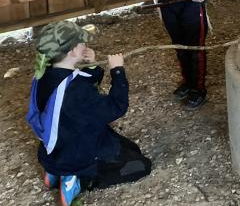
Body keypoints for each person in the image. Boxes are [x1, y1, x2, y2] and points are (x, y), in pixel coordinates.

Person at [26, 21, 151, 206]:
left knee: (132, 149)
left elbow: (82, 85)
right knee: (141, 166)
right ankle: (78, 180)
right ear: (72, 51)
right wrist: (118, 71)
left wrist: (92, 65)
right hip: (77, 153)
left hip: (56, 148)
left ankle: (53, 172)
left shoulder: (45, 74)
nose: (85, 45)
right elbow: (116, 107)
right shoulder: (75, 90)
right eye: (82, 42)